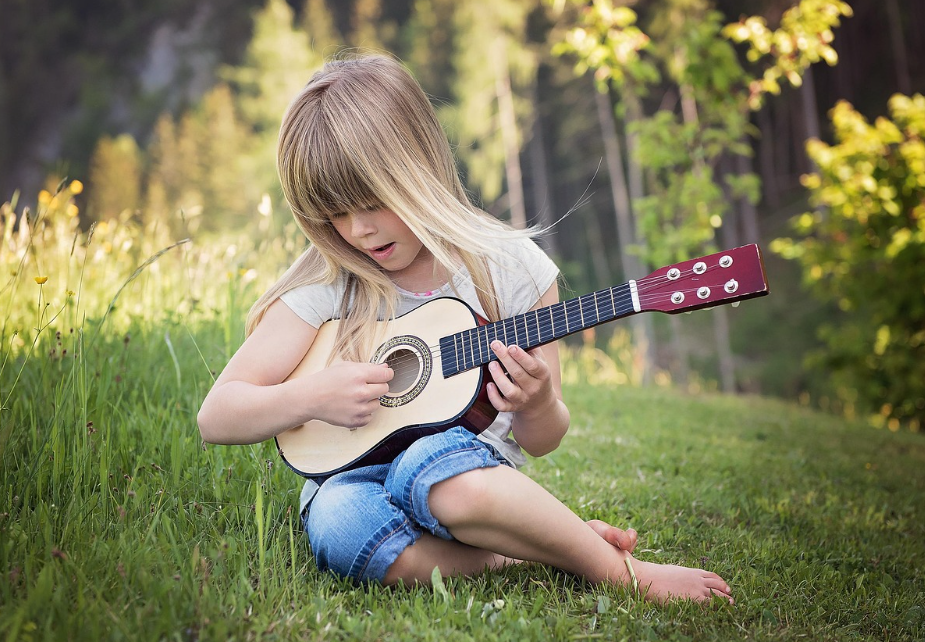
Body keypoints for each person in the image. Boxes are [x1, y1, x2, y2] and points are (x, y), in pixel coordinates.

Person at [197, 54, 732, 604]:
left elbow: (542, 440)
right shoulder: (329, 283)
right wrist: (308, 396)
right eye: (335, 213)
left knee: (430, 465)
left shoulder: (510, 267)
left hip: (466, 476)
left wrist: (537, 402)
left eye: (374, 202)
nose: (358, 230)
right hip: (350, 477)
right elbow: (217, 415)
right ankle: (528, 549)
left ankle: (621, 572)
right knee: (336, 523)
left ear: (419, 167)